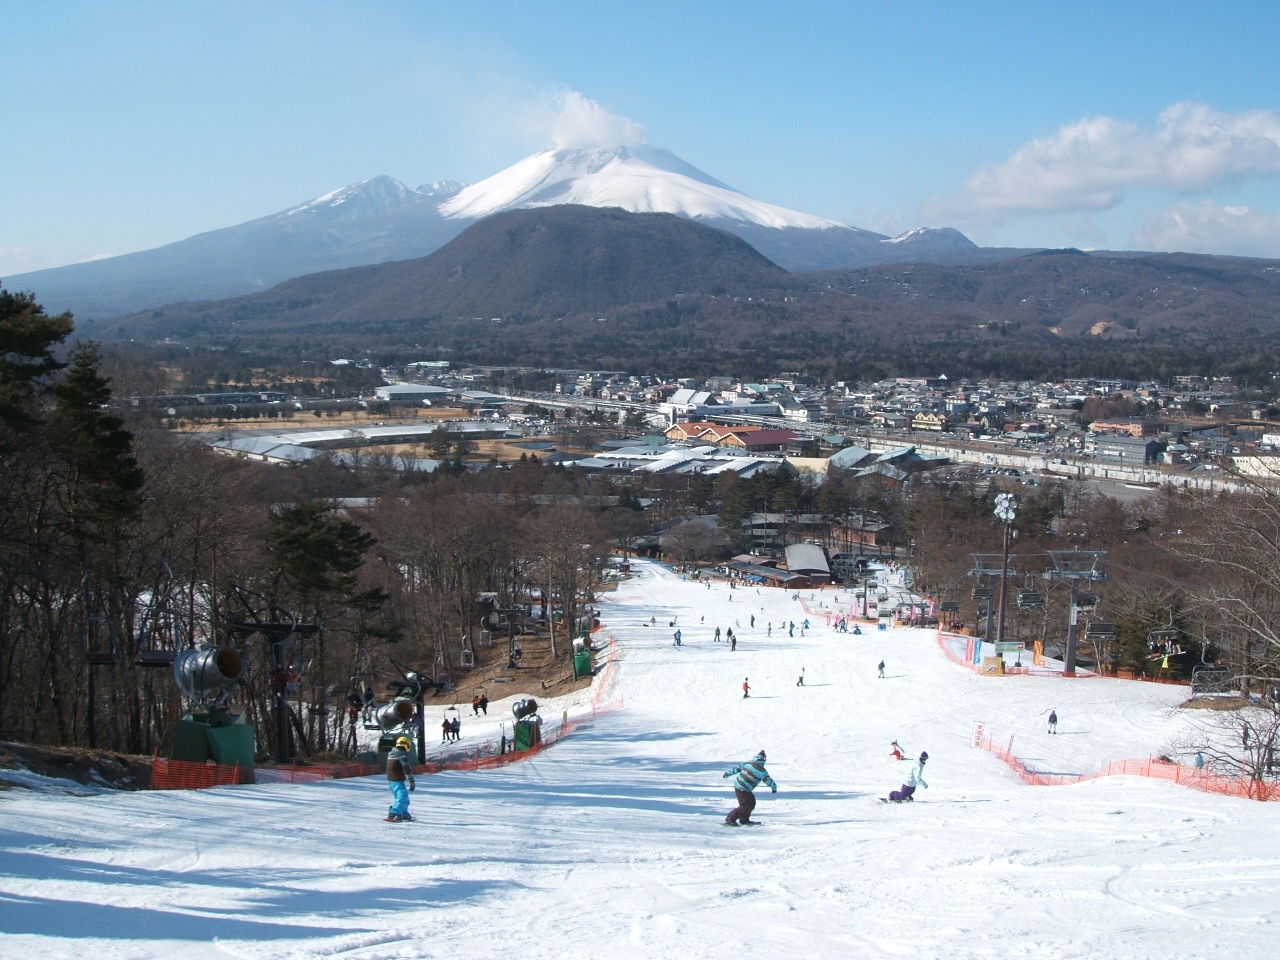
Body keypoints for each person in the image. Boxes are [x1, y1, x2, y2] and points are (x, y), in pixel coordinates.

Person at [723, 750, 777, 825]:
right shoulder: (762, 771)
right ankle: (730, 818)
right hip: (742, 788)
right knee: (746, 806)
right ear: (763, 760)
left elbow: (737, 769)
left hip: (740, 786)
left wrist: (728, 773)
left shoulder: (748, 763)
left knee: (751, 803)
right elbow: (768, 781)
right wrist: (774, 788)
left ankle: (744, 819)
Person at [385, 735, 416, 822]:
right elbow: (407, 769)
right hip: (397, 780)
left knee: (403, 798)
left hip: (392, 780)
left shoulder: (391, 754)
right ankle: (394, 813)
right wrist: (411, 781)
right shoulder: (402, 756)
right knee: (402, 797)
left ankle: (403, 812)